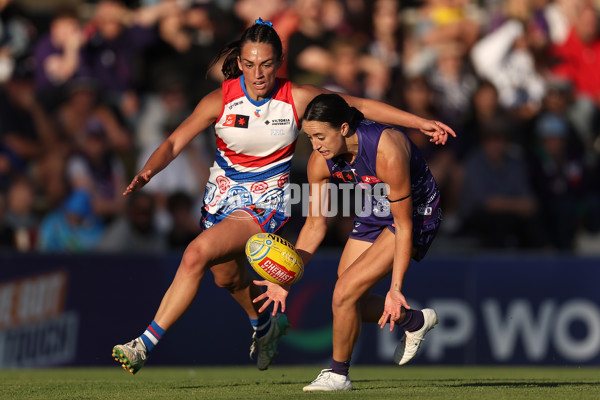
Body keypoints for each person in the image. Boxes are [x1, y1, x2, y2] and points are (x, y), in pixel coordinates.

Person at [111, 18, 454, 375]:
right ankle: (264, 326)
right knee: (226, 278)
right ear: (240, 63)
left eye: (267, 64)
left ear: (279, 62)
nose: (258, 73)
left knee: (195, 254)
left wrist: (418, 123)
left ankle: (143, 344)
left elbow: (357, 105)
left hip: (266, 204)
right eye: (250, 64)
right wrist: (149, 169)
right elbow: (172, 142)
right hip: (220, 201)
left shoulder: (297, 97)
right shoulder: (220, 100)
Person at [253, 93, 443, 391]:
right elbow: (316, 225)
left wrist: (396, 289)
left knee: (343, 292)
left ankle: (338, 375)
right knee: (348, 298)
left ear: (343, 128)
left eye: (320, 136)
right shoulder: (320, 161)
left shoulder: (386, 149)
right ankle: (414, 322)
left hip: (416, 214)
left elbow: (404, 225)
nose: (315, 145)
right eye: (310, 137)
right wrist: (285, 278)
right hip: (373, 208)